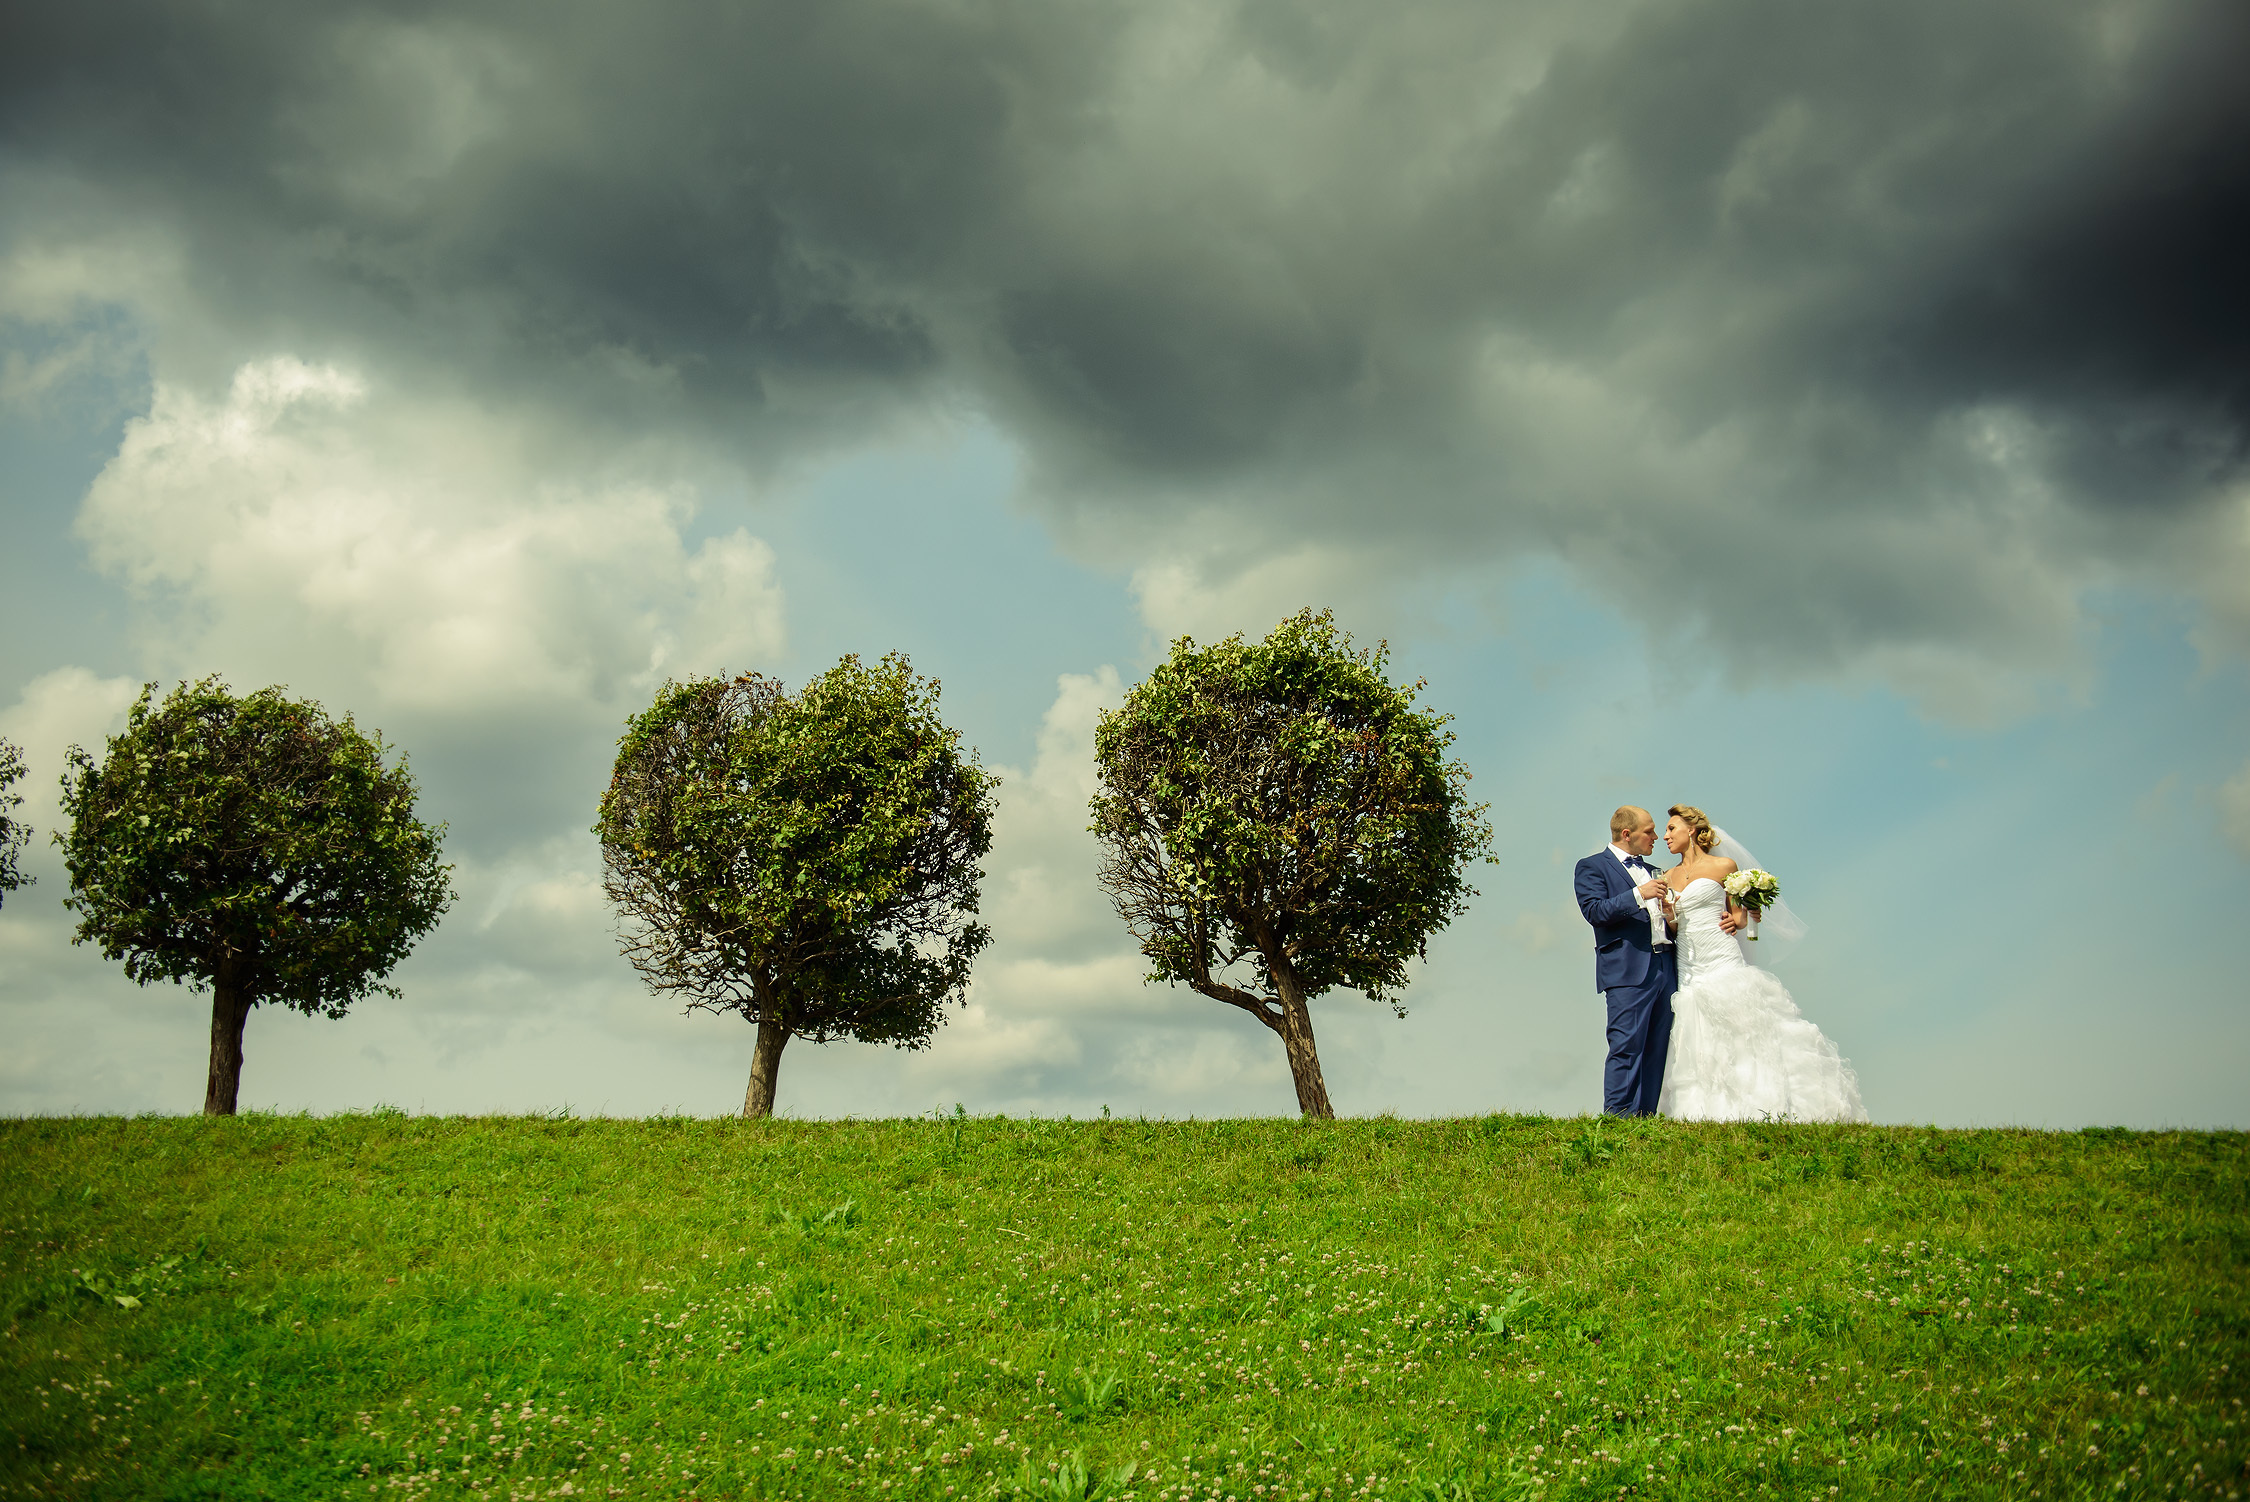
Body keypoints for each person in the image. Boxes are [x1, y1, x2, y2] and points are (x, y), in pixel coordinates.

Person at [1654, 804, 1868, 1122]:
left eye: (1672, 828)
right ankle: (1705, 1113)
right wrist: (1670, 917)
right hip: (1688, 963)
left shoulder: (1723, 865)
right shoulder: (1666, 876)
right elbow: (1672, 927)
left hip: (1721, 955)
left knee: (1741, 1027)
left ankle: (1759, 1103)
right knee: (1698, 1030)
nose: (1665, 835)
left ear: (1692, 830)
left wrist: (1742, 918)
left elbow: (1739, 917)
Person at [1572, 806, 1741, 1116]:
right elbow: (1594, 911)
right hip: (1628, 972)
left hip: (1667, 968)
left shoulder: (1656, 871)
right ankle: (1619, 1116)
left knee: (1657, 1048)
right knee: (1626, 1046)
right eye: (1649, 831)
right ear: (1627, 834)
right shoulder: (1592, 867)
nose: (1656, 837)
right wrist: (1639, 894)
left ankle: (1646, 1116)